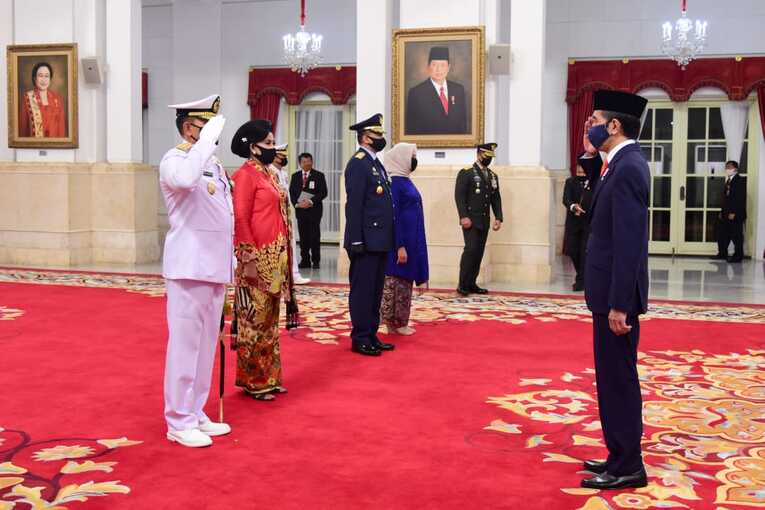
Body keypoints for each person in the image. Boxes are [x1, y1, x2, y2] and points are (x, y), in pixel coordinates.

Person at [578, 90, 649, 490]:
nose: (590, 125)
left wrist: (621, 304)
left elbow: (628, 243)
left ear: (615, 125)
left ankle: (628, 466)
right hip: (607, 295)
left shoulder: (629, 168)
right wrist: (591, 153)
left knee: (618, 380)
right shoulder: (616, 164)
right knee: (610, 379)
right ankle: (618, 454)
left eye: (595, 120)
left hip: (615, 300)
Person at [160, 94, 232, 448]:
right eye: (205, 127)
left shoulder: (213, 164)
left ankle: (196, 411)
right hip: (188, 268)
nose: (212, 136)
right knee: (185, 347)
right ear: (190, 128)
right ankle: (177, 419)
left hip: (214, 268)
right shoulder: (175, 160)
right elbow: (187, 181)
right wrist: (203, 145)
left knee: (206, 347)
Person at [230, 120, 297, 400]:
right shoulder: (246, 175)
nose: (273, 148)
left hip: (276, 259)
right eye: (268, 144)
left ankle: (269, 376)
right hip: (256, 259)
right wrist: (248, 257)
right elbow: (241, 217)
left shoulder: (268, 173)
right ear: (252, 147)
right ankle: (253, 380)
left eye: (272, 143)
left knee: (270, 320)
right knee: (253, 320)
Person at [343, 113, 396, 356]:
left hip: (379, 240)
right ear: (365, 138)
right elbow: (354, 205)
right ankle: (360, 337)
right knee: (363, 290)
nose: (381, 139)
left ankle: (371, 333)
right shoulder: (358, 162)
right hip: (364, 240)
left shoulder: (375, 163)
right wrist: (355, 239)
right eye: (377, 135)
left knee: (375, 290)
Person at [380, 143, 428, 335]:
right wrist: (399, 246)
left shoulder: (405, 180)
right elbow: (394, 217)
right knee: (396, 283)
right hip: (400, 244)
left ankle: (400, 321)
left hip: (411, 240)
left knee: (405, 283)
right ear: (401, 158)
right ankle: (394, 323)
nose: (414, 160)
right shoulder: (395, 184)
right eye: (412, 155)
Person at [454, 143, 503, 296]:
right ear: (479, 154)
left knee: (479, 252)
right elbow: (459, 196)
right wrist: (463, 216)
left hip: (484, 220)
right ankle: (462, 284)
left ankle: (471, 283)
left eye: (490, 157)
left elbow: (496, 198)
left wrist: (499, 217)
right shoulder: (466, 173)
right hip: (471, 220)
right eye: (486, 156)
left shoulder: (492, 175)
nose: (488, 159)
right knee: (471, 250)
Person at [405, 46, 467, 135]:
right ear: (428, 67)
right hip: (427, 146)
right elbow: (411, 130)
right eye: (434, 65)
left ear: (448, 67)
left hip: (456, 147)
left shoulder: (458, 90)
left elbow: (463, 125)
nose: (438, 69)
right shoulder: (416, 93)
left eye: (442, 65)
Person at [273, 144, 310, 285]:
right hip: (275, 215)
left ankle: (294, 274)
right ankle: (276, 278)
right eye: (280, 157)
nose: (283, 159)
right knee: (277, 248)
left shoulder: (285, 174)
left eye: (285, 157)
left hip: (287, 214)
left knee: (291, 245)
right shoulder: (270, 172)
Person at [289, 153, 328, 269]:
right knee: (303, 236)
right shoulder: (295, 176)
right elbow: (292, 192)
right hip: (301, 211)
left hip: (314, 210)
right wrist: (297, 203)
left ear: (312, 162)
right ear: (300, 163)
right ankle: (305, 260)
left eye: (309, 161)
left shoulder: (319, 176)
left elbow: (323, 193)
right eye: (304, 162)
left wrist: (310, 202)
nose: (307, 164)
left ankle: (316, 260)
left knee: (314, 236)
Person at [562, 164, 592, 291]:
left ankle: (581, 280)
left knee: (584, 253)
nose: (580, 171)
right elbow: (565, 199)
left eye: (583, 169)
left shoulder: (595, 183)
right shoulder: (570, 182)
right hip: (573, 223)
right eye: (578, 168)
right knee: (573, 251)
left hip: (588, 224)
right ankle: (582, 276)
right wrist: (574, 207)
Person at [19, 62, 66, 138]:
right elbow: (23, 129)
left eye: (46, 76)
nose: (44, 80)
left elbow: (61, 130)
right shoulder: (27, 98)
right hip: (34, 147)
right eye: (40, 76)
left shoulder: (57, 99)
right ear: (35, 78)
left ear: (50, 79)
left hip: (55, 146)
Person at [713, 160, 747, 263]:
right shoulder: (728, 181)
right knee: (722, 234)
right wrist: (721, 211)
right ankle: (722, 253)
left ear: (735, 169)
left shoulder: (740, 180)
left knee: (736, 235)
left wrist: (734, 212)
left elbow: (740, 198)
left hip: (735, 214)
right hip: (725, 213)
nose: (727, 169)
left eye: (729, 167)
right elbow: (725, 198)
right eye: (726, 167)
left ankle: (738, 256)